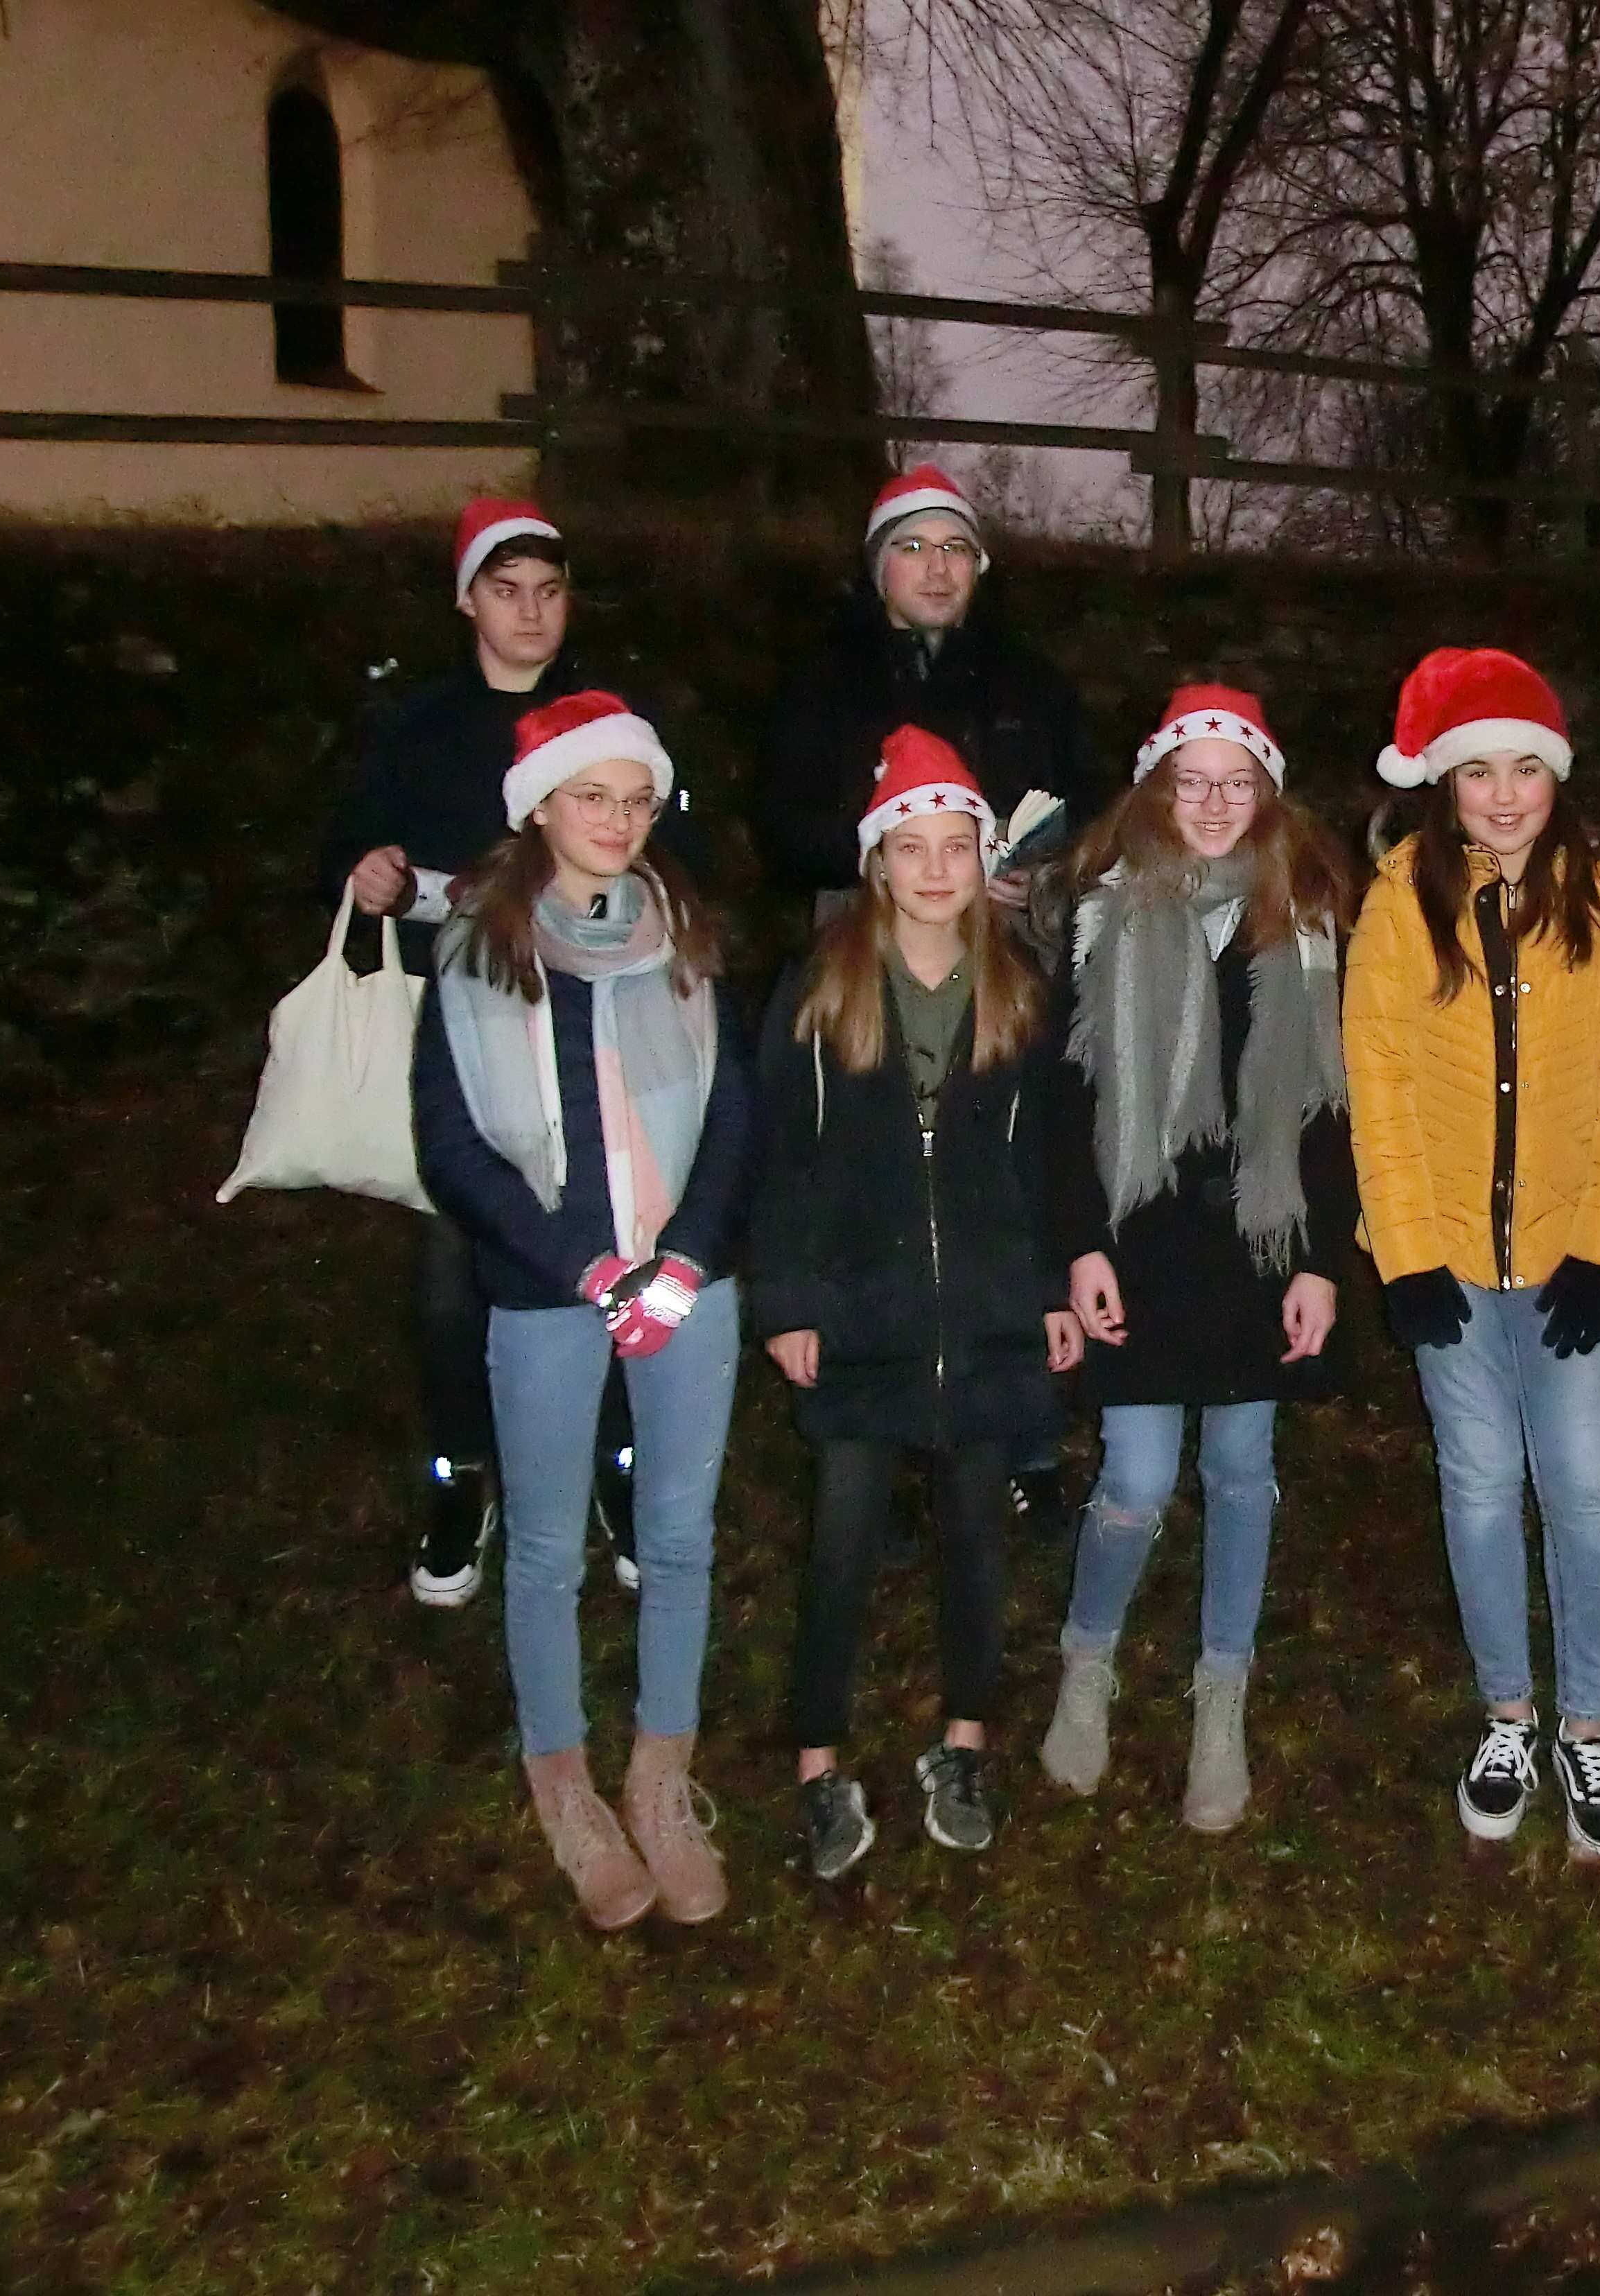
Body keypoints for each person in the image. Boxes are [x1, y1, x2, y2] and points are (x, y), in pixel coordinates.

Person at [409, 690, 751, 1931]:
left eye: (638, 798)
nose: (617, 820)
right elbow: (452, 1146)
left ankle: (662, 1776)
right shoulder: (477, 946)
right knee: (549, 1549)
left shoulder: (685, 931)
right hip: (548, 1288)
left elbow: (733, 1110)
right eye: (591, 795)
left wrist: (689, 1255)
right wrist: (582, 1268)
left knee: (679, 1537)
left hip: (687, 1284)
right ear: (541, 805)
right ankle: (564, 1785)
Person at [327, 498, 693, 1608]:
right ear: (467, 601)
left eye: (548, 590)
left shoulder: (615, 721)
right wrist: (370, 872)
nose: (530, 613)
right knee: (458, 1269)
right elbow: (350, 843)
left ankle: (617, 1469)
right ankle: (460, 1474)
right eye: (506, 589)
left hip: (604, 1028)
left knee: (620, 1245)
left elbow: (682, 849)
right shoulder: (422, 727)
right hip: (473, 1026)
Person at [1343, 648, 1600, 1863]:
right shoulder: (1398, 902)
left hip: (1564, 1254)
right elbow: (1375, 1080)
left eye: (1525, 767)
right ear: (1442, 783)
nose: (1503, 793)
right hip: (1446, 1263)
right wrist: (1409, 1256)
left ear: (1558, 776)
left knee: (1580, 1482)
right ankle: (1509, 1714)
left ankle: (1588, 1721)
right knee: (1478, 1485)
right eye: (1476, 769)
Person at [756, 462, 1106, 1545]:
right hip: (870, 952)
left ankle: (1027, 1440)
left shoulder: (1028, 680)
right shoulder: (826, 682)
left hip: (1006, 950)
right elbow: (784, 824)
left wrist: (1031, 873)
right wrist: (892, 854)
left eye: (955, 549)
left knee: (1004, 1158)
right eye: (914, 549)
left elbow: (1090, 810)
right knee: (881, 1178)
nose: (936, 568)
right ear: (878, 569)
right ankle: (895, 1430)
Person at [754, 727, 1082, 1876]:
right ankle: (818, 1757)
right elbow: (783, 1156)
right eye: (913, 847)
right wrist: (790, 1297)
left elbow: (1045, 1158)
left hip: (985, 1310)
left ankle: (964, 1738)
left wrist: (1048, 1288)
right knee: (842, 1536)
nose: (937, 869)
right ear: (877, 862)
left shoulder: (1017, 987)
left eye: (957, 846)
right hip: (861, 1306)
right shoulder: (823, 981)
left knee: (979, 1537)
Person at [1035, 686, 1361, 1834]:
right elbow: (1067, 1094)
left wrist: (1319, 1259)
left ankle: (1222, 1694)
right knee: (1133, 1476)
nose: (1215, 802)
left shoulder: (1306, 910)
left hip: (1254, 1238)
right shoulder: (1102, 908)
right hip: (1142, 1225)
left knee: (1238, 1469)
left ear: (1266, 794)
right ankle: (1090, 1662)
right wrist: (1077, 1244)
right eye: (1193, 780)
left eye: (1239, 782)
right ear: (1157, 789)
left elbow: (1328, 1107)